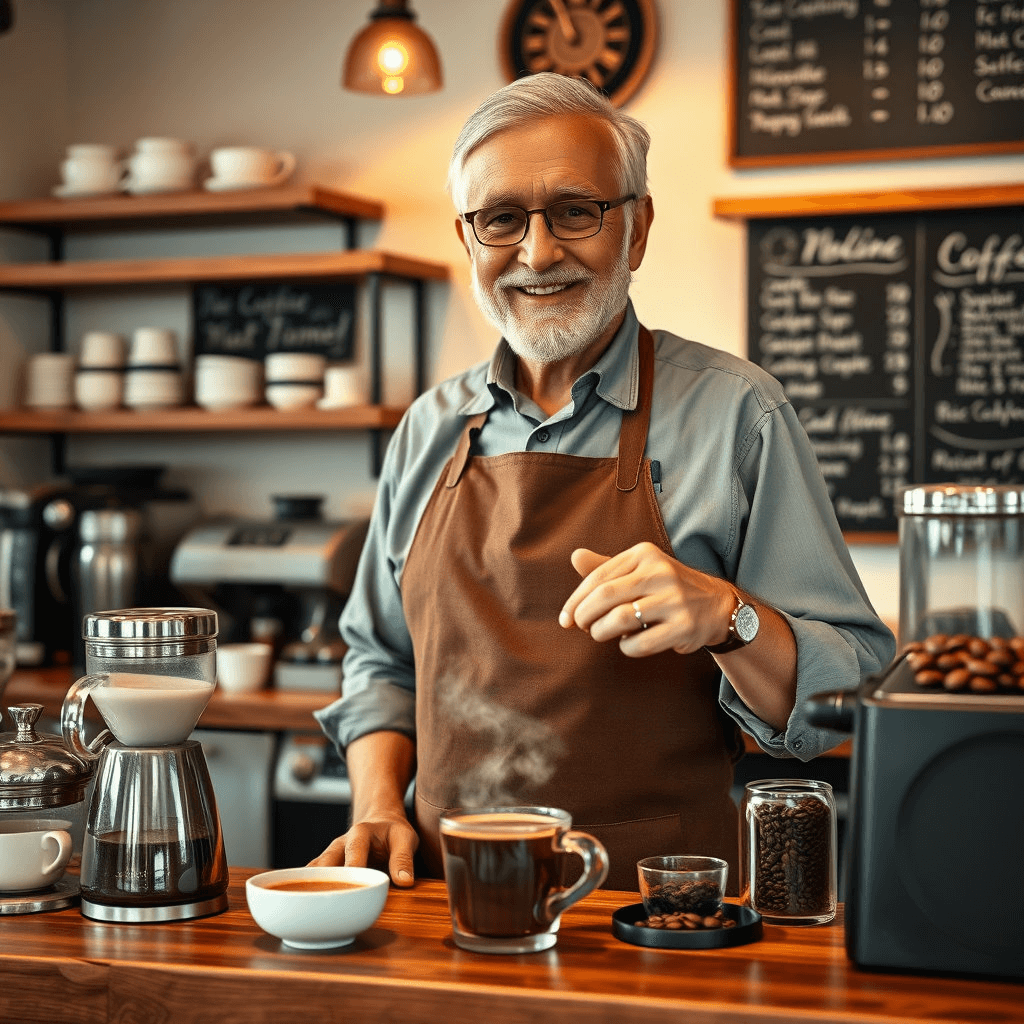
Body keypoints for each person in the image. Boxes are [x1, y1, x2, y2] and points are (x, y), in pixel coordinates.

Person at [312, 72, 894, 891]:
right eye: (502, 219)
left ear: (638, 228)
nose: (538, 252)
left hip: (659, 908)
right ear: (469, 238)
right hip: (447, 898)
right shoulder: (427, 430)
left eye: (576, 211)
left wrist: (730, 618)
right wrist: (376, 806)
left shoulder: (739, 414)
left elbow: (856, 683)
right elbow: (380, 662)